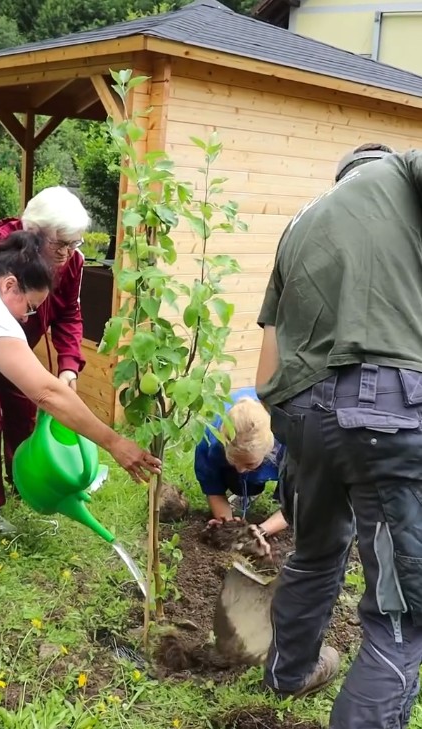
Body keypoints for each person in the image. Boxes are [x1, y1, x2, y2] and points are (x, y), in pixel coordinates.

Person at [0, 231, 160, 647]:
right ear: (9, 284)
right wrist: (116, 443)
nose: (26, 319)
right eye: (29, 307)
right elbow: (47, 393)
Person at [255, 145, 422, 728]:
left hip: (301, 413)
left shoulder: (299, 224)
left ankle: (289, 673)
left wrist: (299, 431)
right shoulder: (401, 173)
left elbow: (265, 369)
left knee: (315, 552)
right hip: (385, 408)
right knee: (400, 615)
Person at [0, 187, 91, 534]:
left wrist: (68, 365)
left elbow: (69, 313)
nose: (68, 253)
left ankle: (23, 482)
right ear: (34, 232)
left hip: (19, 349)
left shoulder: (72, 261)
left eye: (74, 243)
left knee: (22, 415)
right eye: (60, 244)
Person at [194, 387, 288, 538]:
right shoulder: (210, 441)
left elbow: (302, 500)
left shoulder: (292, 443)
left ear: (269, 451)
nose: (239, 470)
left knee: (291, 492)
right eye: (233, 461)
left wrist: (261, 530)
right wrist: (228, 526)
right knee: (242, 482)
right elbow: (213, 488)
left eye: (249, 464)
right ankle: (248, 489)